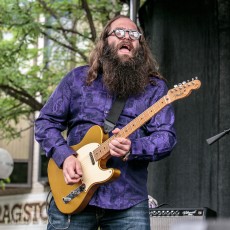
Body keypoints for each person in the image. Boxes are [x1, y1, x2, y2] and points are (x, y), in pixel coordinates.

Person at [35, 15, 177, 230]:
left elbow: (166, 137)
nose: (127, 37)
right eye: (119, 32)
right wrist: (65, 157)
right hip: (73, 192)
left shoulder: (155, 88)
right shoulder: (78, 79)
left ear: (140, 46)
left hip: (128, 199)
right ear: (104, 42)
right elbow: (45, 122)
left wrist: (133, 148)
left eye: (134, 34)